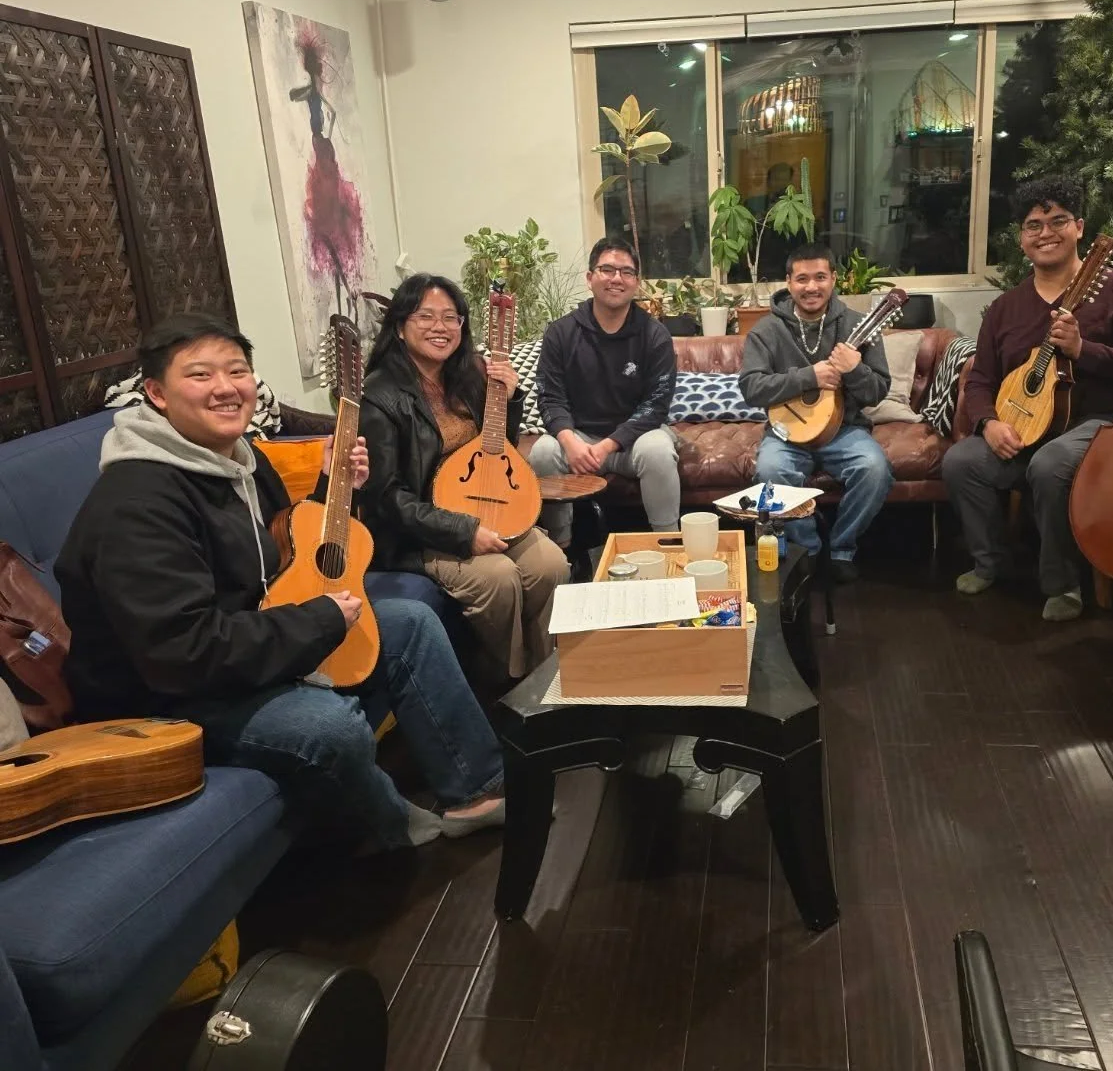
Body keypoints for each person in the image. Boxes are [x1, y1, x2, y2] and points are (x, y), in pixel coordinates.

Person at [56, 314, 508, 853]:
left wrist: (333, 486)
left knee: (408, 621)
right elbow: (182, 653)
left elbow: (282, 546)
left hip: (250, 639)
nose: (226, 388)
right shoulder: (137, 504)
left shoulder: (239, 461)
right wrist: (317, 621)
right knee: (327, 727)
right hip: (166, 697)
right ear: (156, 393)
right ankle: (387, 831)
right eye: (200, 376)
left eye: (237, 370)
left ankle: (478, 791)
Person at [943, 176, 1113, 622]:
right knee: (962, 462)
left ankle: (1062, 583)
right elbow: (980, 380)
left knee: (1050, 464)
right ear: (1022, 239)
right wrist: (987, 424)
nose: (1045, 233)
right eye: (1033, 225)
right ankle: (990, 562)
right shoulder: (1006, 309)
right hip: (1026, 426)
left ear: (1079, 227)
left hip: (1102, 425)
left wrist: (1083, 351)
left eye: (1057, 221)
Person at [360, 274, 568, 680]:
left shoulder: (467, 376)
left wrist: (508, 401)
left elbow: (497, 455)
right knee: (498, 578)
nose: (440, 327)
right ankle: (505, 684)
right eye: (426, 316)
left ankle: (548, 677)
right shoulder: (379, 396)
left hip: (487, 508)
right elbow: (384, 496)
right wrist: (462, 531)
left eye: (451, 318)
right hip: (419, 533)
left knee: (551, 565)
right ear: (400, 327)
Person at [738, 241, 893, 584]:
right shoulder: (767, 331)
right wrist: (809, 376)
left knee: (874, 468)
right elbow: (751, 388)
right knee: (771, 469)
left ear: (834, 279)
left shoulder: (859, 326)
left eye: (820, 277)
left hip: (845, 429)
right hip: (786, 432)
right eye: (802, 279)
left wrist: (854, 370)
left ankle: (840, 550)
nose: (811, 287)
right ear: (789, 282)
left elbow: (876, 392)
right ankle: (807, 549)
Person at [530, 237, 681, 546]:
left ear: (636, 283)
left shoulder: (654, 334)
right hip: (580, 437)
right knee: (543, 452)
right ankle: (562, 548)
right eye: (607, 269)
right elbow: (550, 396)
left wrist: (608, 445)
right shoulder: (561, 332)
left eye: (626, 272)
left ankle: (668, 542)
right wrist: (569, 441)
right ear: (590, 278)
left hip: (634, 440)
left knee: (658, 451)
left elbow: (656, 405)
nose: (616, 278)